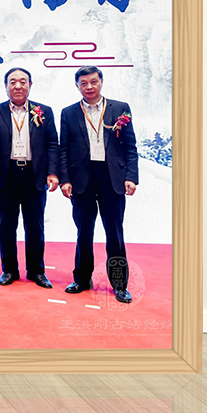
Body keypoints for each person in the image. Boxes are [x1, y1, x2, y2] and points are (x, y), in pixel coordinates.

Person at [59, 66, 139, 303]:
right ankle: (82, 279)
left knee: (114, 233)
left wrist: (131, 176)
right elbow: (64, 150)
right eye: (84, 83)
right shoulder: (69, 113)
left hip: (111, 177)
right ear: (77, 86)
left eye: (93, 82)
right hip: (81, 178)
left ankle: (119, 284)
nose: (89, 87)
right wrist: (65, 180)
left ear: (101, 82)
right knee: (84, 232)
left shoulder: (120, 108)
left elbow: (130, 147)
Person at [0, 68, 59, 288]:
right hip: (6, 175)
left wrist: (52, 172)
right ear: (5, 86)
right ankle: (9, 270)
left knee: (35, 225)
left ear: (30, 85)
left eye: (23, 81)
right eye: (13, 82)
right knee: (6, 225)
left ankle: (36, 271)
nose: (18, 86)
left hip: (34, 174)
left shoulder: (44, 111)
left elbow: (52, 144)